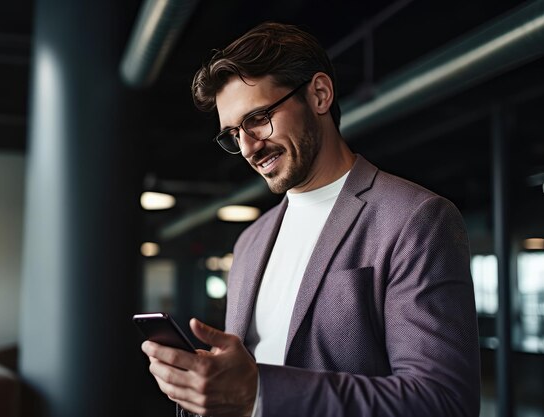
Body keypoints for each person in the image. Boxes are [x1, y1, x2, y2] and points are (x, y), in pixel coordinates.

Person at [141, 21, 481, 417]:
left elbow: (443, 402)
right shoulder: (251, 241)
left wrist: (260, 393)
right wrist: (202, 387)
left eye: (259, 118)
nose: (249, 147)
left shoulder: (416, 219)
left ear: (319, 94)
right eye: (233, 134)